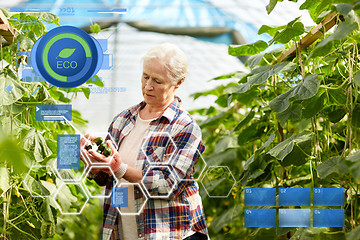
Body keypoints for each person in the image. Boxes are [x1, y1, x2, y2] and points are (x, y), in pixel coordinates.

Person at [80, 43, 208, 240]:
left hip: (171, 234)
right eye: (145, 76)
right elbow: (106, 178)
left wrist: (118, 168)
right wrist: (94, 161)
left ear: (178, 83)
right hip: (124, 231)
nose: (148, 86)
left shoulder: (185, 127)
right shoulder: (123, 119)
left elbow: (167, 184)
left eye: (157, 81)